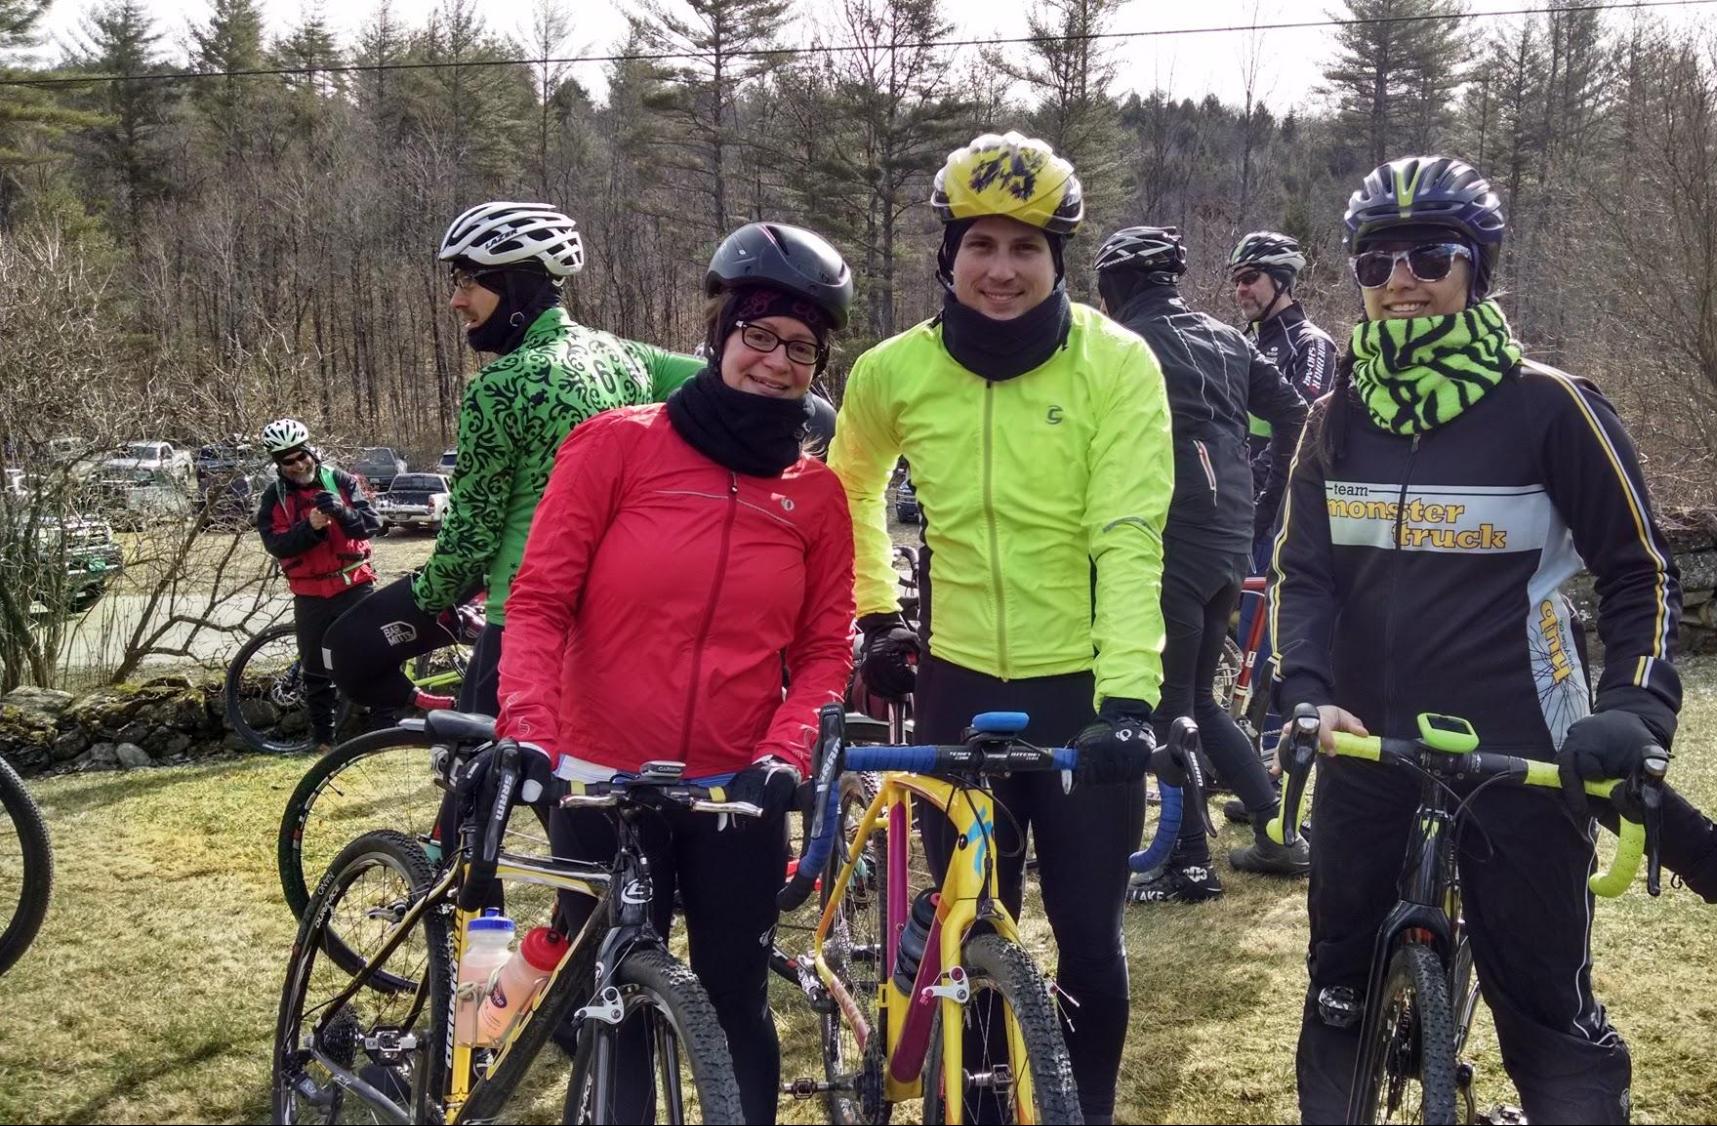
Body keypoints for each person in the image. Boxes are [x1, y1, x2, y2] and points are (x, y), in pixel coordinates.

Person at [1272, 156, 1717, 1124]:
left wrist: (1633, 707)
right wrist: (1304, 687)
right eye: (1375, 262)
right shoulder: (1334, 420)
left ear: (1478, 267)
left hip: (1522, 738)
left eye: (1430, 256)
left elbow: (1639, 571)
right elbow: (1306, 576)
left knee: (1544, 1011)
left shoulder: (1551, 406)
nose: (1400, 280)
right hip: (1365, 738)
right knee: (1338, 986)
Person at [828, 131, 1175, 1125]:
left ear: (1058, 259)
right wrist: (876, 613)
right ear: (948, 254)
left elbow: (1128, 535)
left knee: (1088, 938)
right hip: (958, 678)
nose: (1002, 269)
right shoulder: (894, 370)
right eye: (980, 244)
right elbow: (849, 486)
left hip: (1081, 685)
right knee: (968, 924)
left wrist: (1128, 699)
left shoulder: (1117, 362)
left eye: (1026, 248)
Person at [495, 221, 858, 1125]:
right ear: (720, 334)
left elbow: (824, 650)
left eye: (801, 348)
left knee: (736, 999)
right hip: (598, 772)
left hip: (736, 782)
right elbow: (538, 603)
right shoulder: (615, 446)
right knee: (615, 999)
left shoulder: (815, 495)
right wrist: (530, 728)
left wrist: (785, 751)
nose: (776, 361)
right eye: (759, 335)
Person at [329, 202, 705, 717]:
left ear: (515, 283)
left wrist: (422, 600)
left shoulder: (499, 386)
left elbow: (472, 536)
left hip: (527, 619)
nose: (456, 300)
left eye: (467, 281)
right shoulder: (626, 357)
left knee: (477, 761)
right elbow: (739, 384)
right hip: (624, 616)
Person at [1091, 225, 1310, 905]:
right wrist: (1265, 497)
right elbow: (1297, 414)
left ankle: (1187, 862)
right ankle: (1279, 832)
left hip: (1170, 537)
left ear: (1115, 287)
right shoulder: (1227, 337)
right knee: (1199, 701)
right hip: (1228, 537)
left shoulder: (1121, 343)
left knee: (1169, 707)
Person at [253, 419, 386, 752]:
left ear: (311, 452)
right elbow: (276, 544)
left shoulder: (341, 481)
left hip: (353, 584)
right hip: (311, 594)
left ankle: (385, 731)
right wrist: (309, 527)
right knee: (315, 669)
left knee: (375, 655)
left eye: (302, 456)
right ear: (278, 464)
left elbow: (371, 526)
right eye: (289, 461)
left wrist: (341, 511)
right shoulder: (274, 497)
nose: (299, 466)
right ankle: (324, 740)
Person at [1230, 231, 1340, 556]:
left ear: (1281, 279)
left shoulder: (1311, 344)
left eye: (1250, 278)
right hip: (1236, 506)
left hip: (1278, 514)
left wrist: (1248, 486)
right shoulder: (1244, 343)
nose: (1240, 289)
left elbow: (1301, 431)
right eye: (1236, 281)